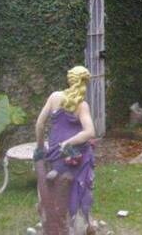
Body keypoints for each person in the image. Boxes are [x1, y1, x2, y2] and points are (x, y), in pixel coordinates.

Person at [35, 66, 96, 235]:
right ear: (84, 83)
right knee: (80, 188)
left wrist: (40, 146)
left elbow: (39, 124)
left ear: (69, 80)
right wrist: (68, 142)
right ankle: (79, 226)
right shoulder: (82, 105)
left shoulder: (54, 97)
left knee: (56, 187)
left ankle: (57, 224)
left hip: (55, 153)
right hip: (75, 155)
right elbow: (90, 132)